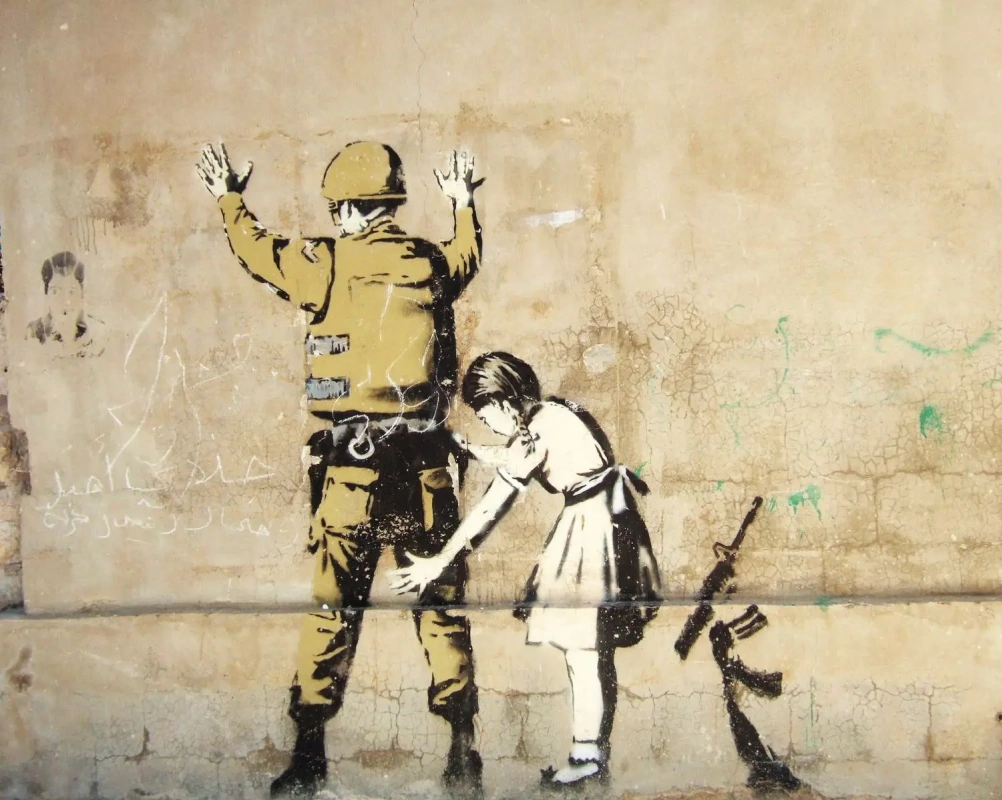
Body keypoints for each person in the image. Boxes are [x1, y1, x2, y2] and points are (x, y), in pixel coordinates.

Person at [197, 142, 484, 798]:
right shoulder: (430, 263)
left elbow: (258, 252)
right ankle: (462, 752)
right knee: (439, 606)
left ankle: (308, 757)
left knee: (333, 609)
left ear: (350, 208)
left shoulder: (323, 263)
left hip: (353, 473)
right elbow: (465, 256)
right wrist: (463, 203)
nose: (336, 219)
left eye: (336, 209)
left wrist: (229, 198)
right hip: (425, 471)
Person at [391, 352, 662, 788]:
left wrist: (441, 559)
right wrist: (468, 448)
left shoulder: (538, 430)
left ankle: (586, 754)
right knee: (591, 650)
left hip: (591, 527)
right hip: (606, 518)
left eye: (484, 414)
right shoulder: (551, 414)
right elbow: (511, 455)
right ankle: (590, 750)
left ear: (501, 402)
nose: (485, 422)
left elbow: (492, 505)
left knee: (582, 651)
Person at [27, 251, 97, 354]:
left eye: (72, 292)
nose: (65, 301)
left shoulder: (96, 335)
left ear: (81, 294)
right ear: (47, 294)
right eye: (55, 292)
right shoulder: (33, 333)